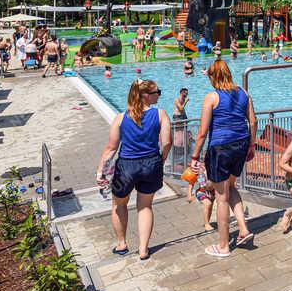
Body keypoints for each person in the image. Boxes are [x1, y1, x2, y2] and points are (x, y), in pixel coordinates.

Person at [95, 79, 172, 260]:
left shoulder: (121, 118)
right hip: (151, 163)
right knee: (145, 206)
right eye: (156, 92)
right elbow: (167, 142)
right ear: (145, 96)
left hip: (127, 166)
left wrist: (101, 172)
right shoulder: (160, 114)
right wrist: (161, 159)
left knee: (119, 205)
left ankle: (122, 244)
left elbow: (111, 148)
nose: (159, 95)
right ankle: (143, 249)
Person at [188, 59, 257, 258]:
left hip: (220, 148)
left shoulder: (211, 97)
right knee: (232, 187)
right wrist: (251, 145)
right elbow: (253, 121)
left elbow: (202, 133)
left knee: (221, 197)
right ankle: (243, 230)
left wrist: (195, 157)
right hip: (241, 144)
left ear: (213, 76)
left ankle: (224, 246)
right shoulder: (244, 93)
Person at [186, 161, 216, 231]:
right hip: (201, 192)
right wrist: (189, 195)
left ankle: (207, 222)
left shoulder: (214, 166)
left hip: (212, 192)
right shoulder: (198, 168)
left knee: (210, 207)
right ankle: (206, 224)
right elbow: (191, 182)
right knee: (208, 204)